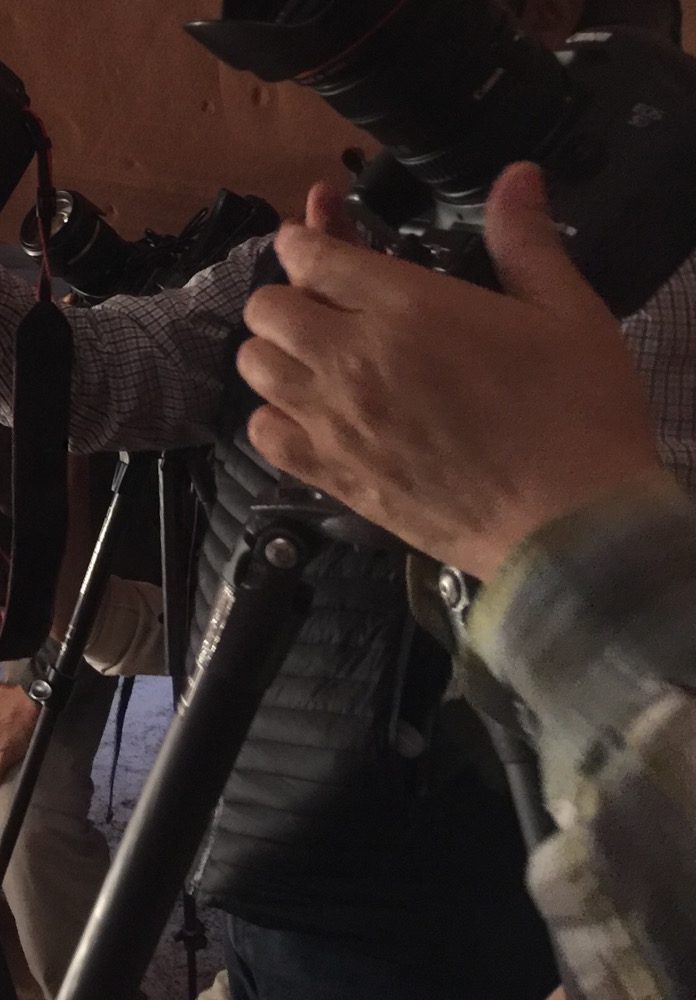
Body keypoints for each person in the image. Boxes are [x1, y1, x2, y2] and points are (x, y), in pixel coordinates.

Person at [0, 0, 695, 999]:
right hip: (294, 833)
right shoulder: (354, 242)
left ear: (546, 12)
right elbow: (99, 382)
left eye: (430, 3)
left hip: (584, 843)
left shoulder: (674, 253)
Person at [237, 161, 696, 1000]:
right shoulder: (390, 214)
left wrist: (546, 521)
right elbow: (117, 373)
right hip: (426, 718)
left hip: (603, 714)